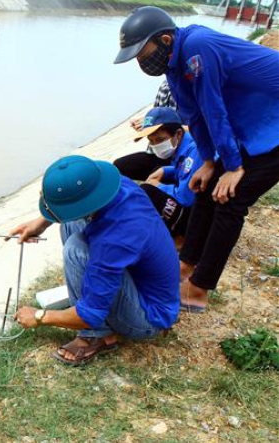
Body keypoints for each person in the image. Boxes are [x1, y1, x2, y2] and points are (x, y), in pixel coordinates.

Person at [114, 7, 279, 312]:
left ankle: (198, 289)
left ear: (165, 39)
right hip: (252, 122)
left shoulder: (197, 47)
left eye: (141, 53)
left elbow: (213, 108)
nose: (140, 62)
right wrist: (208, 161)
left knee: (231, 199)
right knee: (203, 185)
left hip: (273, 123)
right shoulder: (173, 66)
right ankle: (186, 265)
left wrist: (233, 167)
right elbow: (193, 115)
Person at [7, 155, 179, 366]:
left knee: (75, 249)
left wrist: (40, 316)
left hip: (149, 317)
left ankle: (96, 336)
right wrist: (42, 222)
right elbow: (76, 208)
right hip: (143, 284)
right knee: (69, 225)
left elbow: (90, 315)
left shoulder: (115, 239)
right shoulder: (116, 187)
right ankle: (94, 296)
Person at [135, 107, 202, 239]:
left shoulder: (194, 150)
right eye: (151, 141)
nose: (155, 145)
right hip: (194, 199)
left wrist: (158, 186)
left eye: (160, 139)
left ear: (178, 134)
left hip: (200, 209)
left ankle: (182, 235)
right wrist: (164, 171)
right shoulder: (181, 145)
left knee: (148, 190)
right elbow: (182, 170)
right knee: (157, 174)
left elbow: (186, 197)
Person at [114, 80, 178, 181]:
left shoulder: (191, 80)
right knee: (119, 166)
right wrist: (148, 123)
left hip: (178, 148)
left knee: (157, 178)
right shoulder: (165, 85)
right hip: (158, 153)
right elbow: (158, 113)